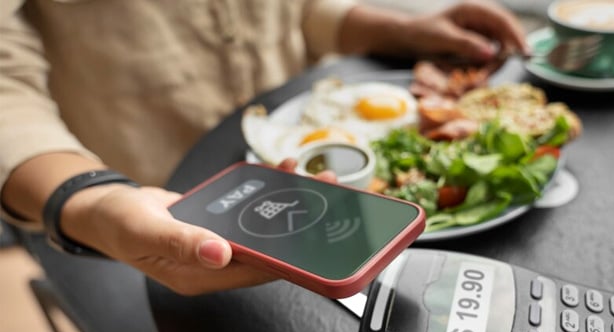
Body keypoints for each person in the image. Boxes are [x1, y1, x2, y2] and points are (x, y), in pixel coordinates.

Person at [0, 0, 528, 295]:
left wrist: (402, 30)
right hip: (112, 228)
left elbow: (297, 10)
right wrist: (89, 200)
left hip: (292, 180)